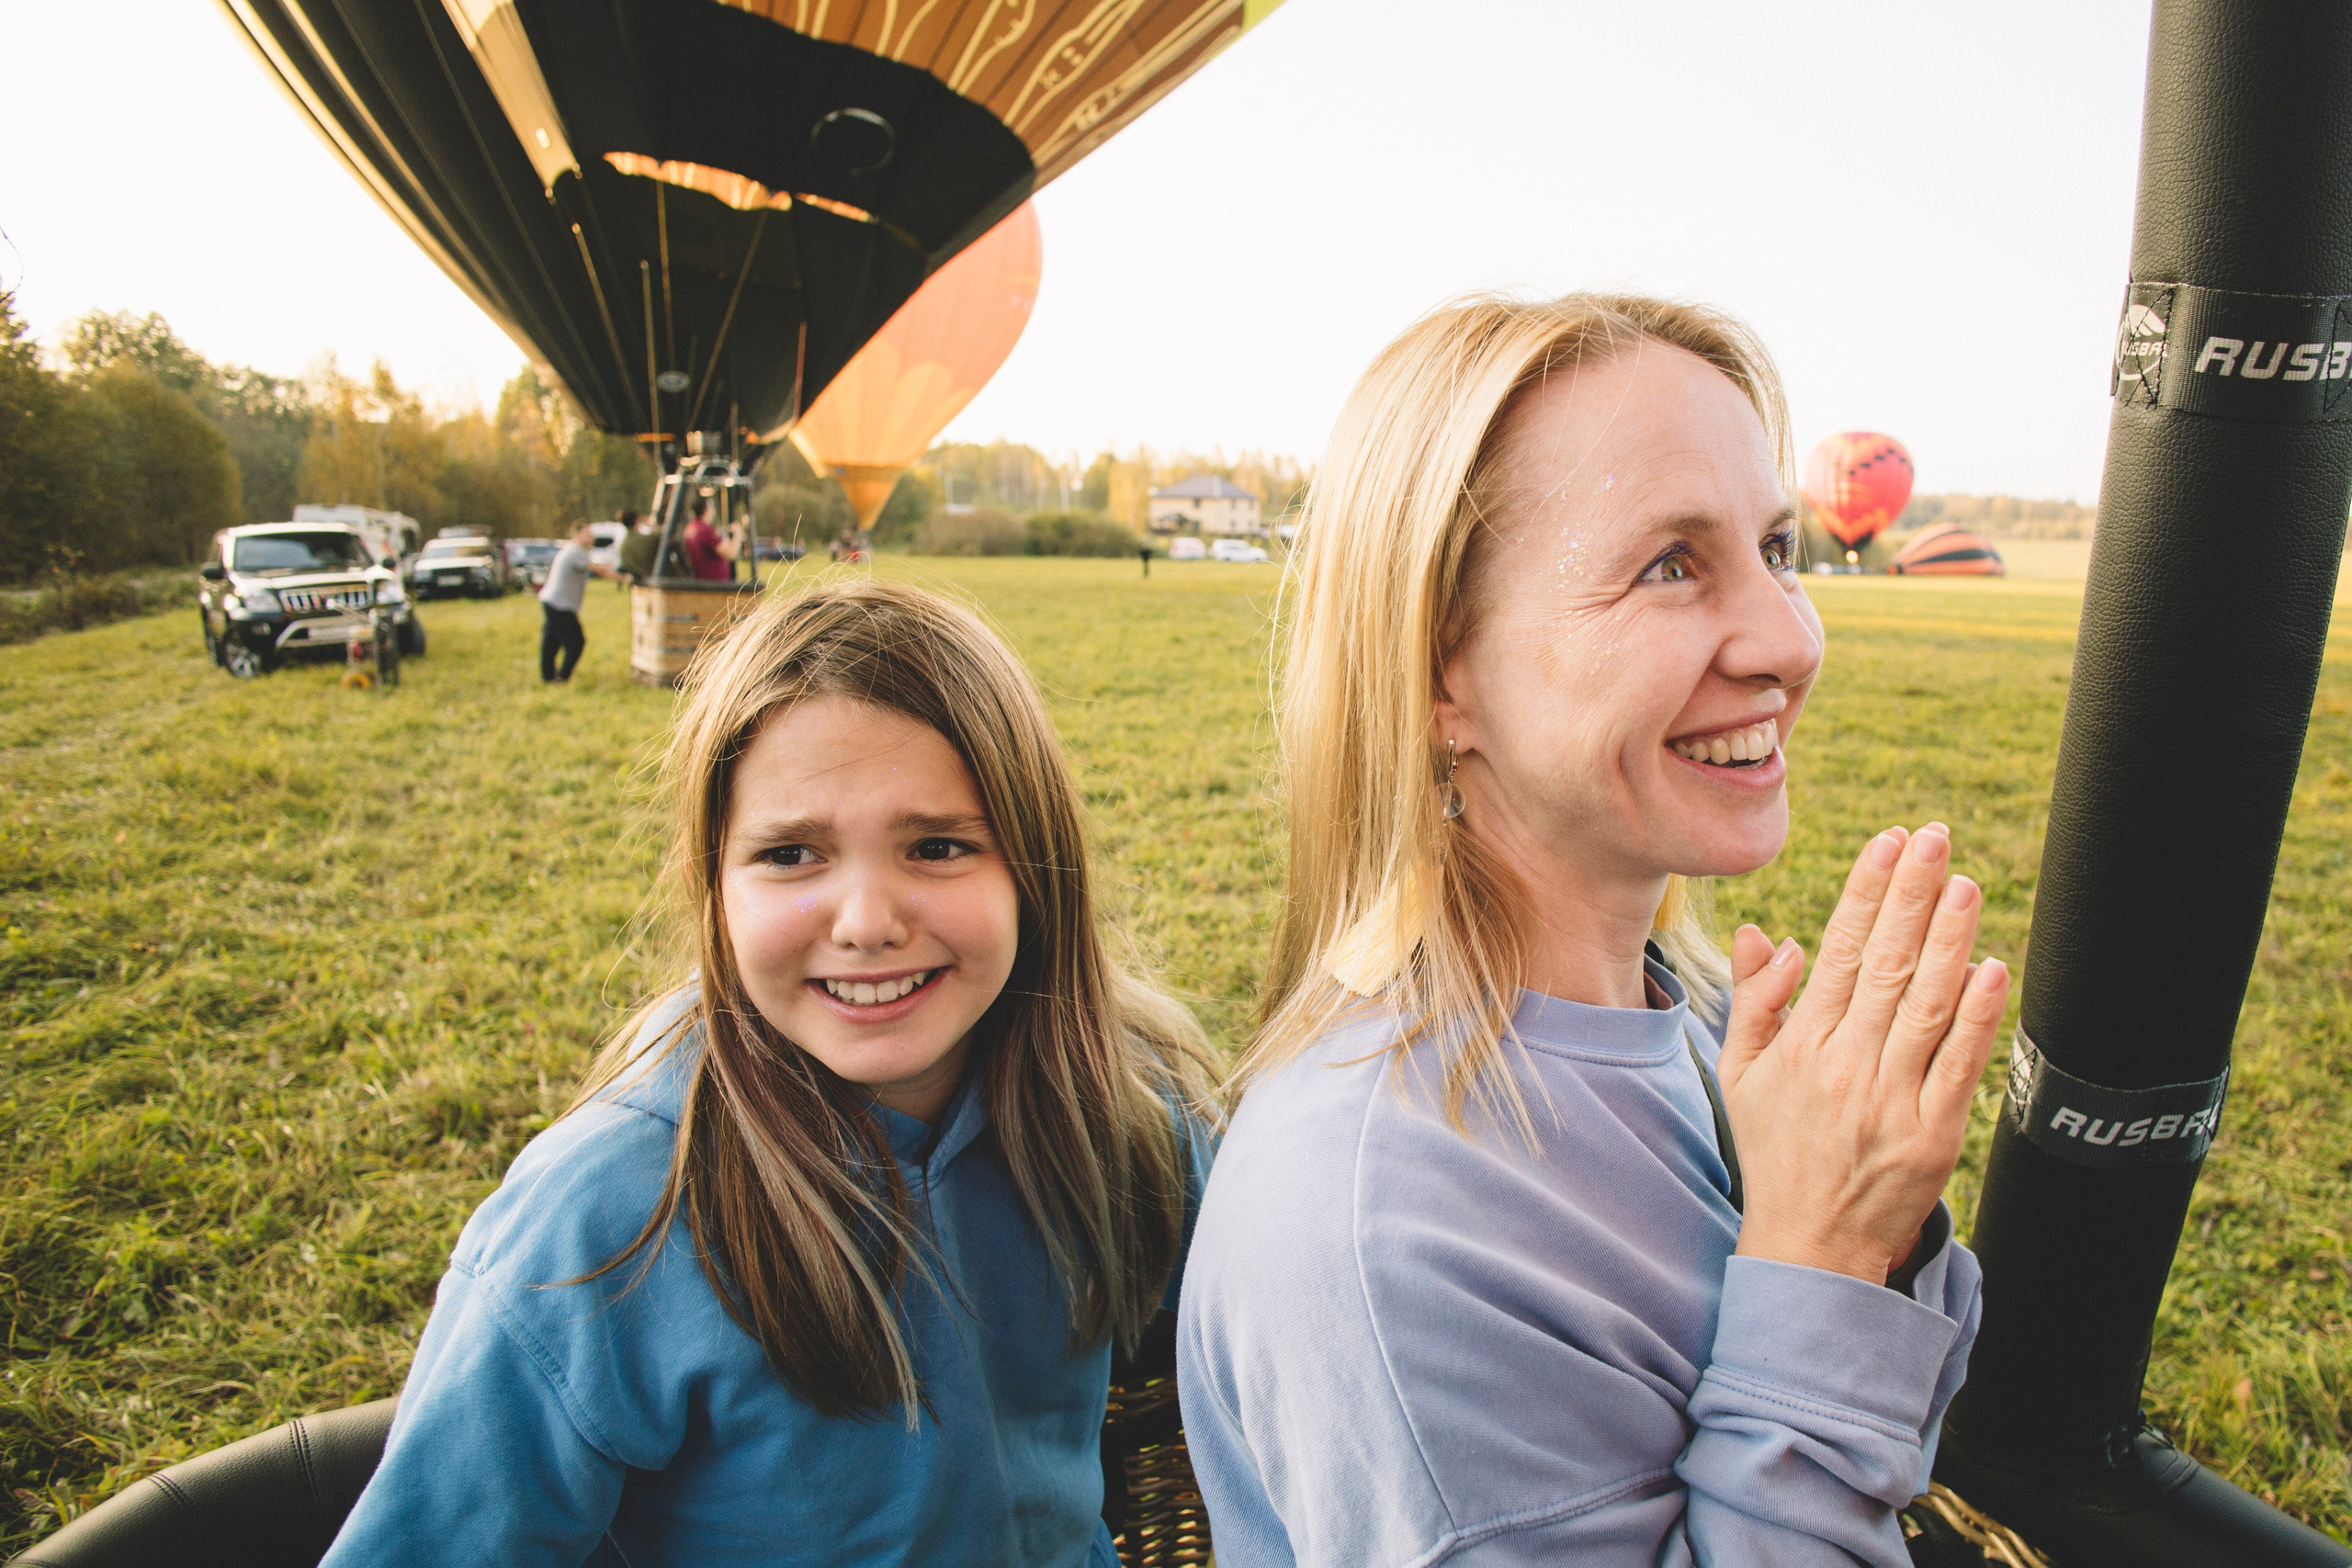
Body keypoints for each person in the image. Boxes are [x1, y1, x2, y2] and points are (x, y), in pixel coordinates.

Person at [1177, 294, 2007, 1567]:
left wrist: (1868, 1211)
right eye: (1671, 562)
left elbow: (1888, 1447)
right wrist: (1822, 1252)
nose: (1792, 639)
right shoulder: (1386, 1232)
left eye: (1778, 547)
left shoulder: (1694, 1018)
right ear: (1442, 673)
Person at [322, 581, 1219, 1568]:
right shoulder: (601, 1220)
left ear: (1035, 867)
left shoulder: (1123, 1108)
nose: (868, 920)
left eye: (937, 847)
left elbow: (1288, 1341)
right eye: (791, 854)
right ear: (714, 888)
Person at [537, 521, 620, 682]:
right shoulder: (575, 551)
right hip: (559, 604)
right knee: (576, 642)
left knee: (552, 640)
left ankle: (548, 678)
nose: (592, 538)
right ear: (577, 535)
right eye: (588, 535)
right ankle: (562, 678)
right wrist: (621, 577)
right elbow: (598, 570)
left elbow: (599, 564)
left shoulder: (577, 550)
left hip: (553, 601)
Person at [681, 495, 739, 581]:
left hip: (702, 579)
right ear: (706, 510)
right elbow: (730, 554)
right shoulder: (706, 531)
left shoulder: (690, 528)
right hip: (713, 583)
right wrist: (737, 534)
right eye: (712, 506)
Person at [616, 506, 657, 584]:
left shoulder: (623, 546)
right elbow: (665, 536)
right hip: (655, 582)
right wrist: (652, 525)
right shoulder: (648, 539)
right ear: (637, 520)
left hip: (638, 586)